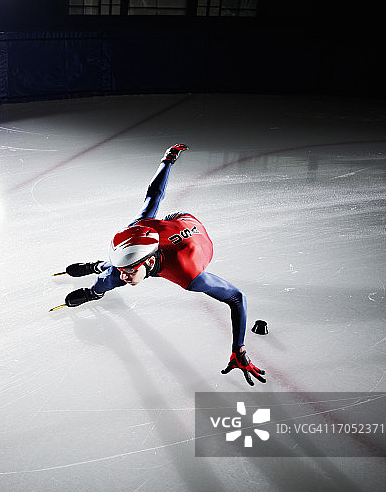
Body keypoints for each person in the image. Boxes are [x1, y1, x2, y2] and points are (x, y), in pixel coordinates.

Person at [58, 144, 266, 386]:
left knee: (114, 278)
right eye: (123, 267)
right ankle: (97, 277)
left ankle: (97, 279)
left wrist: (238, 350)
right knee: (111, 276)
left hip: (191, 234)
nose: (124, 275)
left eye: (130, 270)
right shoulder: (139, 226)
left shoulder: (189, 275)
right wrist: (167, 159)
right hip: (166, 231)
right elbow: (154, 195)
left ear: (147, 261)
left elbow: (236, 298)